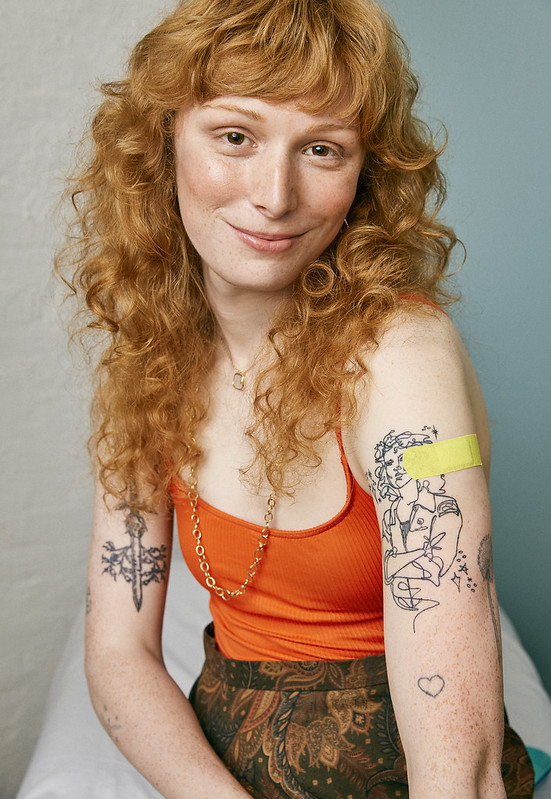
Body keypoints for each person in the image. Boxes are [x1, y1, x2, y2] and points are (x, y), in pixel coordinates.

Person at [57, 0, 535, 795]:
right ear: (163, 137)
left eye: (320, 149)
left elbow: (462, 771)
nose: (274, 195)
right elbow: (118, 653)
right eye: (236, 137)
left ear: (365, 174)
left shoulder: (401, 358)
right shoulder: (147, 355)